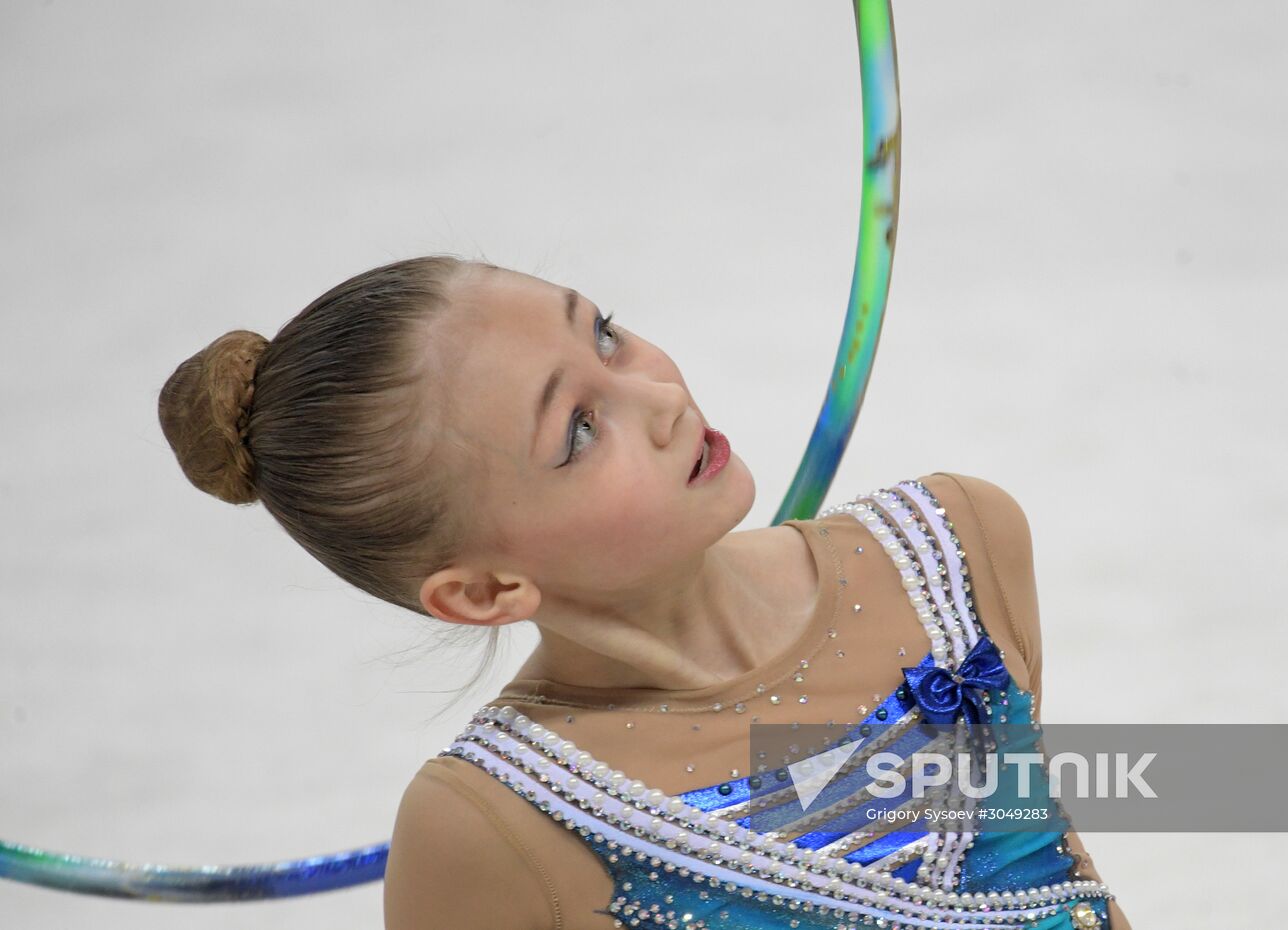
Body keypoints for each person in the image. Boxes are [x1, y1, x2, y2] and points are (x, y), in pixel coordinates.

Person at [158, 256, 1130, 929]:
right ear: (487, 588)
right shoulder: (486, 824)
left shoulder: (949, 545)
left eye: (608, 336)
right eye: (579, 428)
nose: (662, 399)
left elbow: (1068, 881)